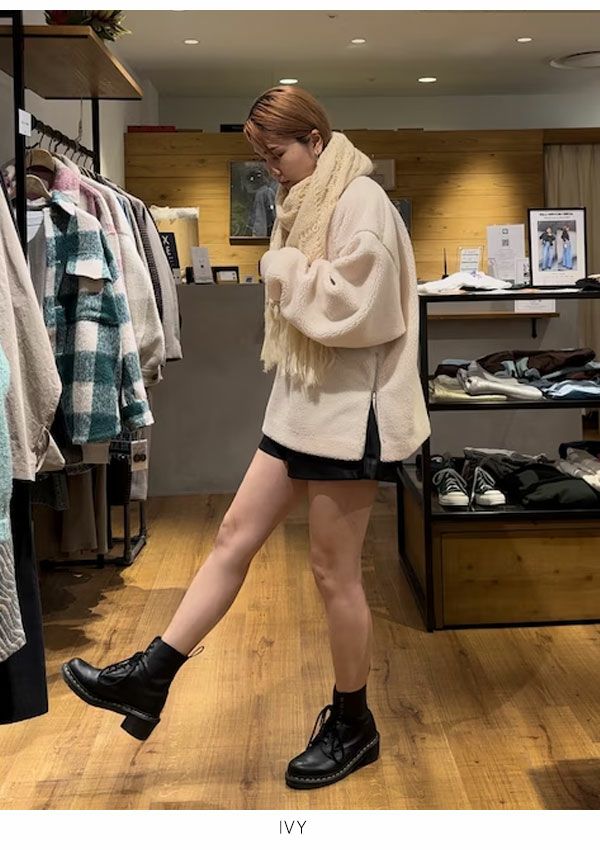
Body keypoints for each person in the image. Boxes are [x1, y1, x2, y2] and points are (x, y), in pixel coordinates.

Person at [61, 86, 430, 790]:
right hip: (304, 405)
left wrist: (284, 269)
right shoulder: (306, 199)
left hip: (350, 414)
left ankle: (354, 724)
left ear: (315, 140)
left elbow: (368, 308)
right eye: (261, 157)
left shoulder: (361, 200)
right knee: (233, 534)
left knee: (334, 573)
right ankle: (151, 675)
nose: (271, 168)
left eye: (277, 153)